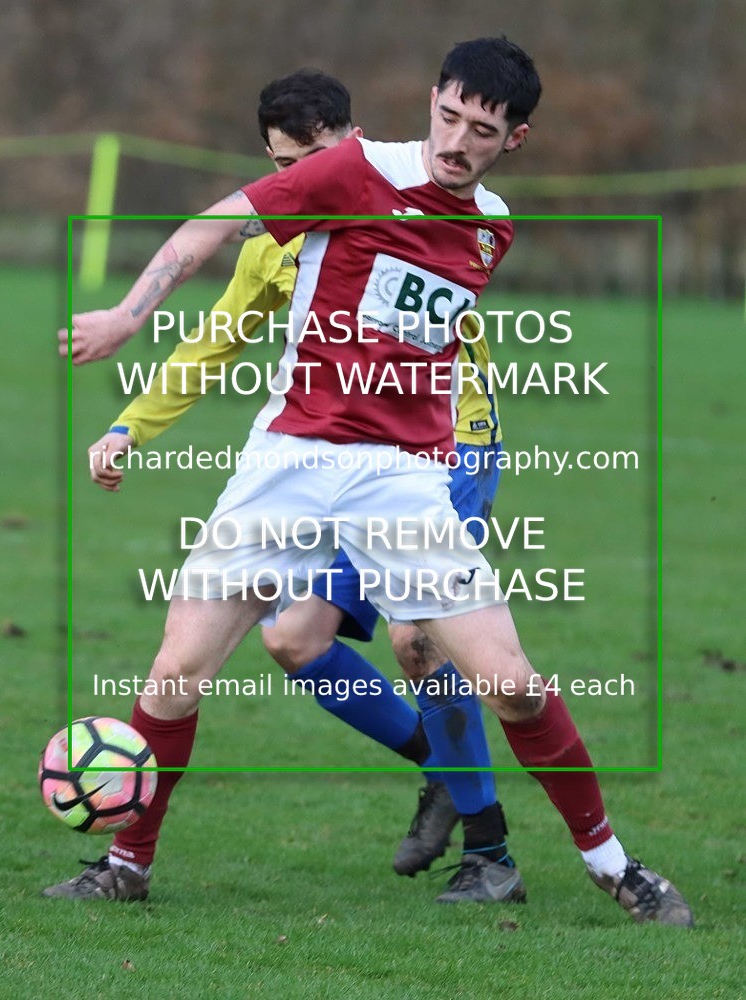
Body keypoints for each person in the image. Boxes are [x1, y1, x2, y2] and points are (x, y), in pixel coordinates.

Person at [48, 37, 692, 927]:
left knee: (509, 683)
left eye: (482, 129)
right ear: (431, 99)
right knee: (176, 672)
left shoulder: (491, 229)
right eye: (449, 116)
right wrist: (128, 314)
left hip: (404, 482)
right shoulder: (350, 172)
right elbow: (216, 222)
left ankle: (614, 867)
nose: (458, 140)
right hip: (290, 459)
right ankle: (126, 863)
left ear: (516, 137)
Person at [83, 69, 521, 903]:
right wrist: (126, 426)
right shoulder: (274, 239)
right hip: (329, 463)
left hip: (446, 452)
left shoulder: (405, 199)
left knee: (416, 644)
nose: (294, 183)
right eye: (281, 166)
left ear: (345, 144)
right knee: (294, 641)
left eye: (307, 161)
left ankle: (490, 851)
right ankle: (445, 771)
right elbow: (209, 346)